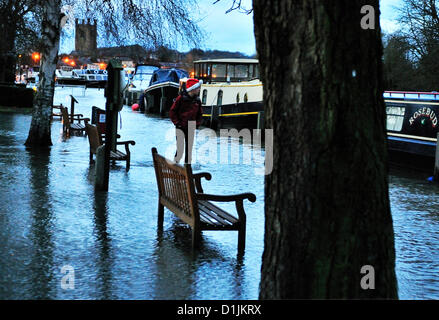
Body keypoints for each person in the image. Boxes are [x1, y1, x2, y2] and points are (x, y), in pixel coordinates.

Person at [169, 78, 203, 163]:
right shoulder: (181, 98)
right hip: (180, 126)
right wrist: (177, 123)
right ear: (192, 89)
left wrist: (197, 124)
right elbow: (172, 111)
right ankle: (175, 166)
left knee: (189, 150)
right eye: (198, 88)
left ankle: (187, 168)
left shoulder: (197, 100)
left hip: (191, 126)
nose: (199, 90)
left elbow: (200, 113)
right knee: (180, 149)